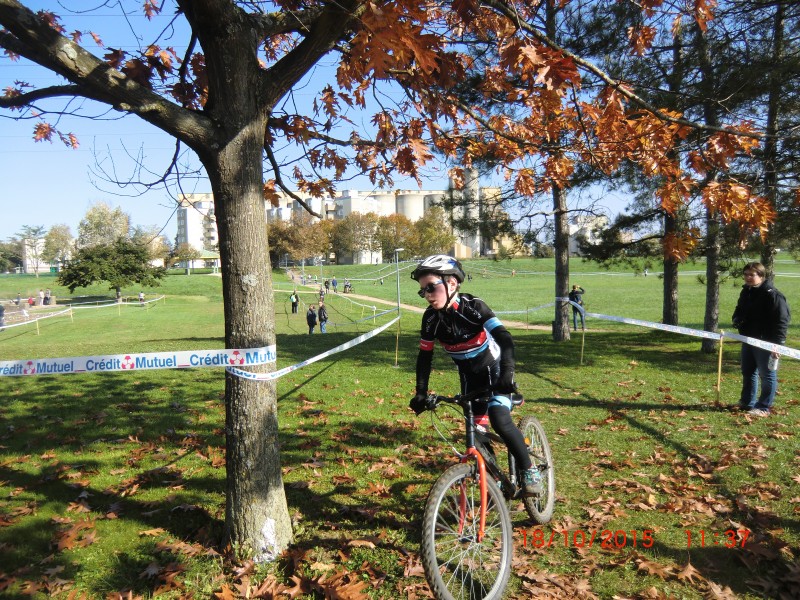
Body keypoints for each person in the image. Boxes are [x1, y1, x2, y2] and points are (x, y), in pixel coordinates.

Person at [408, 254, 542, 495]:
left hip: (497, 370)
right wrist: (420, 393)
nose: (427, 295)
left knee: (499, 419)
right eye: (422, 291)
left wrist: (508, 375)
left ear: (451, 284)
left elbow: (505, 338)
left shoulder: (473, 307)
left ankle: (529, 468)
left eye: (431, 287)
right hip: (470, 379)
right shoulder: (430, 319)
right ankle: (495, 481)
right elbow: (424, 357)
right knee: (477, 435)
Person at [732, 262, 791, 417]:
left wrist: (777, 345)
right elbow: (740, 309)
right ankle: (747, 402)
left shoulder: (772, 294)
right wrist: (737, 318)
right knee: (748, 371)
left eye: (752, 274)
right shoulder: (746, 291)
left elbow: (782, 321)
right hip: (748, 339)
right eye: (746, 274)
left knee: (767, 374)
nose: (748, 278)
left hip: (766, 342)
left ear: (761, 276)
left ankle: (763, 407)